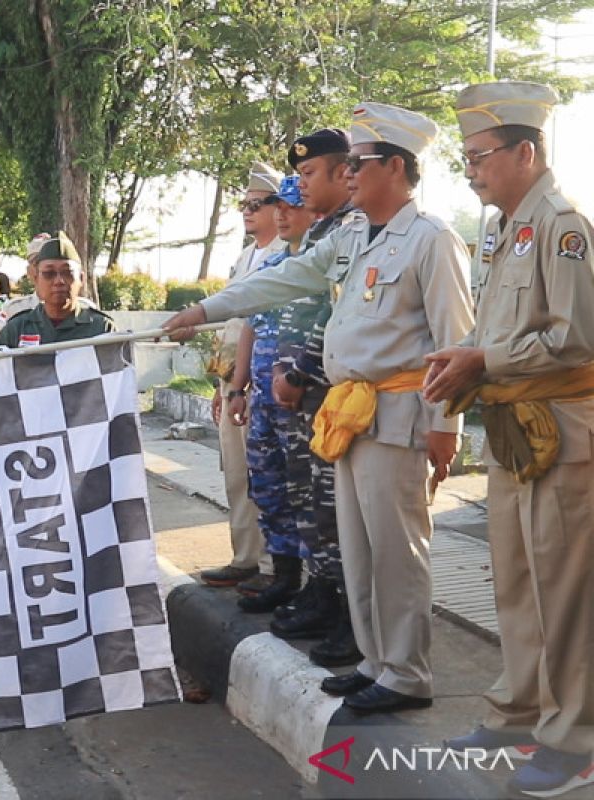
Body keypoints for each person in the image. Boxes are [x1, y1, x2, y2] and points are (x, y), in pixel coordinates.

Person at [164, 103, 475, 714]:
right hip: (350, 416)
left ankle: (407, 673)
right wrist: (206, 311)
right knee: (358, 551)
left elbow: (455, 343)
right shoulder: (355, 235)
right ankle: (375, 660)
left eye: (358, 163)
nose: (349, 173)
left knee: (396, 552)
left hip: (400, 417)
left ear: (394, 166)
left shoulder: (432, 239)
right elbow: (283, 280)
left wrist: (447, 428)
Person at [428, 82, 594, 798]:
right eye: (465, 158)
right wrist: (465, 354)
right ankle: (521, 708)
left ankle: (575, 738)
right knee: (518, 583)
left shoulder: (564, 225)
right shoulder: (500, 227)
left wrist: (485, 360)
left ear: (526, 152)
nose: (471, 170)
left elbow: (577, 337)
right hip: (509, 428)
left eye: (480, 156)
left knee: (566, 593)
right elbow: (495, 327)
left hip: (562, 430)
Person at [268, 128, 361, 666]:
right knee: (311, 506)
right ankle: (323, 597)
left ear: (338, 172)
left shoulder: (349, 231)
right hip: (307, 395)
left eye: (307, 175)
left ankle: (350, 616)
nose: (301, 187)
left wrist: (298, 373)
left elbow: (332, 316)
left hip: (329, 395)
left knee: (335, 513)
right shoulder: (325, 231)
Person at [223, 176, 318, 615]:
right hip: (262, 398)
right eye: (276, 206)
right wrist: (237, 387)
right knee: (267, 486)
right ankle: (282, 577)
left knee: (307, 494)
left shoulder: (321, 266)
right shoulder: (269, 266)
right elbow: (248, 325)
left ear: (312, 212)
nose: (281, 214)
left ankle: (316, 587)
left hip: (299, 402)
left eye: (290, 206)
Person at [198, 163, 284, 595]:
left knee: (263, 476)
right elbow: (232, 327)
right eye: (243, 205)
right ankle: (245, 556)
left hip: (258, 386)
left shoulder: (282, 255)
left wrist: (241, 385)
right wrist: (223, 384)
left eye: (258, 204)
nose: (248, 212)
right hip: (234, 382)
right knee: (236, 475)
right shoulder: (246, 256)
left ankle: (272, 564)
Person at [0, 232, 114, 349]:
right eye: (49, 274)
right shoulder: (16, 329)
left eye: (67, 273)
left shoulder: (102, 329)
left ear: (81, 278)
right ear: (36, 278)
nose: (59, 281)